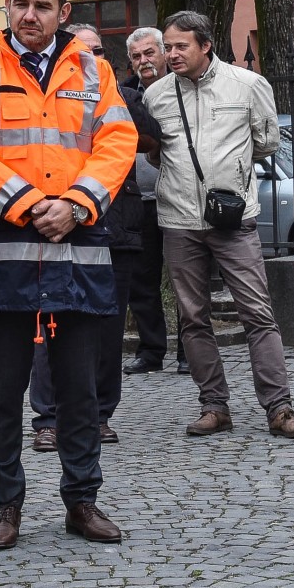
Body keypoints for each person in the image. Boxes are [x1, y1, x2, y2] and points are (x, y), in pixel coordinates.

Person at [0, 0, 136, 551]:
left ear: (63, 12)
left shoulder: (95, 70)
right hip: (6, 248)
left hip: (77, 243)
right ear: (7, 5)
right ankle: (5, 505)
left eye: (42, 6)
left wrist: (77, 204)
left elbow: (117, 141)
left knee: (79, 387)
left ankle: (82, 499)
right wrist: (29, 203)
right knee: (2, 388)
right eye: (20, 4)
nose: (29, 16)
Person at [143, 11, 294, 439]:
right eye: (168, 45)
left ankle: (279, 406)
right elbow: (152, 151)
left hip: (233, 218)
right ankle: (214, 405)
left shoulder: (248, 85)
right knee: (193, 317)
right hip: (178, 218)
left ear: (206, 45)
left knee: (258, 313)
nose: (172, 53)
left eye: (181, 45)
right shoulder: (157, 94)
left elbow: (266, 141)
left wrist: (230, 173)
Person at [29, 23, 155, 451]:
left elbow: (148, 135)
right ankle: (47, 419)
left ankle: (99, 415)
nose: (91, 57)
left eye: (99, 50)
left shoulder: (120, 92)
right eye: (82, 50)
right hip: (52, 224)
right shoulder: (47, 92)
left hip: (115, 228)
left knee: (106, 330)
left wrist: (108, 87)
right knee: (46, 327)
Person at [120, 27, 188, 376]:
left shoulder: (181, 90)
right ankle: (151, 350)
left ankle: (189, 352)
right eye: (136, 56)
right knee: (141, 281)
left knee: (184, 279)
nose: (144, 61)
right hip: (140, 201)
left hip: (177, 197)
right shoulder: (124, 95)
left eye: (149, 53)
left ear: (164, 53)